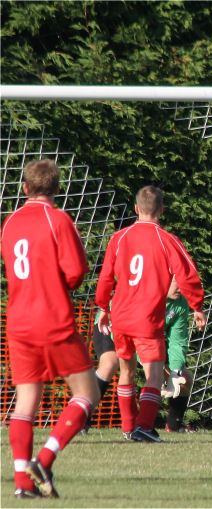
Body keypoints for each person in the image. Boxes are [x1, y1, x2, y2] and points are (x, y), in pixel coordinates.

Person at [1, 159, 100, 498]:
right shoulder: (58, 219)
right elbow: (75, 272)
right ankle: (44, 459)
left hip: (18, 322)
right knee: (87, 393)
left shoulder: (9, 223)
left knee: (26, 400)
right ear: (57, 189)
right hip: (52, 319)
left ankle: (23, 485)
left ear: (24, 188)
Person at [95, 185, 206, 442]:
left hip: (120, 316)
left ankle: (127, 427)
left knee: (126, 371)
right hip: (146, 319)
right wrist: (197, 306)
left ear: (136, 209)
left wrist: (103, 308)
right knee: (153, 375)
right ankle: (144, 426)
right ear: (162, 211)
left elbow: (105, 277)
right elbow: (188, 275)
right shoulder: (167, 239)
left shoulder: (119, 238)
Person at [86, 275, 198, 433]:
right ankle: (82, 418)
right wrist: (149, 362)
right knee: (110, 364)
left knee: (185, 378)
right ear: (162, 279)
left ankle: (174, 425)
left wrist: (175, 371)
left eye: (183, 282)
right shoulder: (145, 296)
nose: (180, 287)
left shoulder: (179, 304)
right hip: (112, 326)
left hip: (147, 337)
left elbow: (177, 341)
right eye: (176, 282)